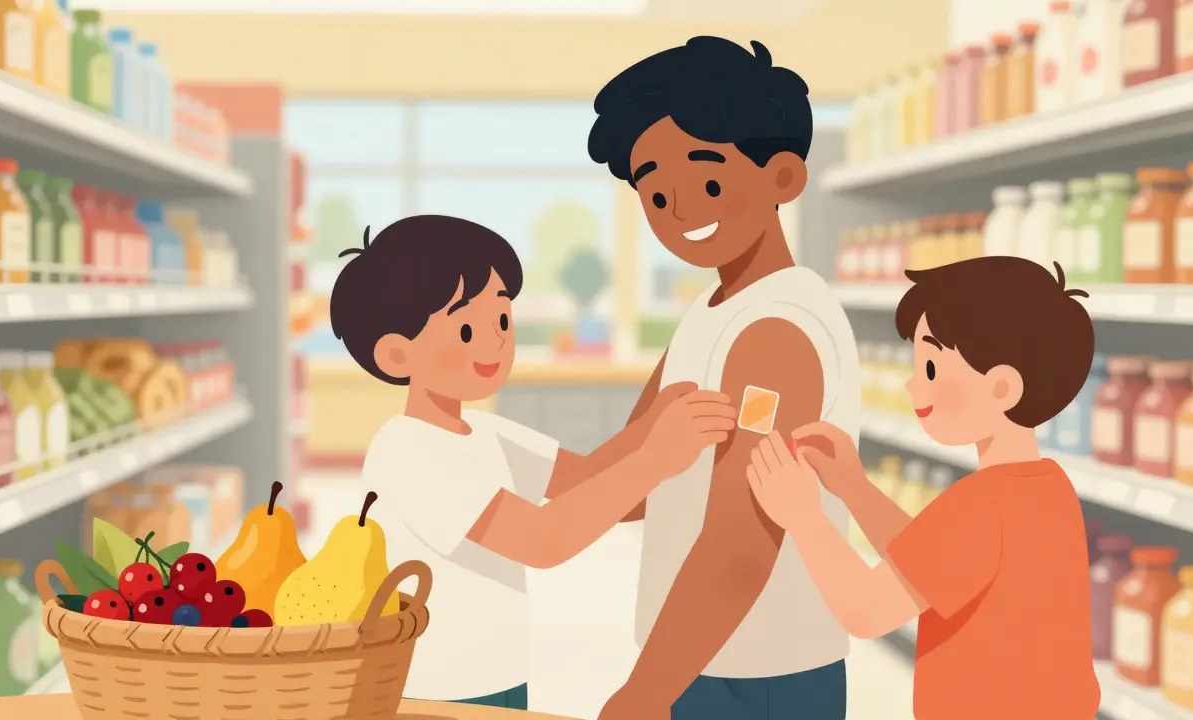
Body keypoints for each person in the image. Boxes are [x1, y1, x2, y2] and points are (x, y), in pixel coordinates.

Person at [334, 214, 737, 710]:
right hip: (432, 689)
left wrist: (658, 411)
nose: (497, 341)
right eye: (466, 329)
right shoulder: (407, 451)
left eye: (502, 319)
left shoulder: (486, 432)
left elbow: (587, 478)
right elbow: (542, 540)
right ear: (397, 356)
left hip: (500, 674)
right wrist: (655, 454)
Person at [587, 36, 859, 720]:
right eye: (655, 193)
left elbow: (742, 546)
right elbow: (629, 489)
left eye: (708, 180)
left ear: (784, 178)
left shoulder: (778, 329)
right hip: (694, 657)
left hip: (764, 673)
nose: (680, 210)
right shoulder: (708, 316)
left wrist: (643, 695)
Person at [745, 257, 1101, 720]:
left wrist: (803, 517)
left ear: (1001, 388)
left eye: (931, 367)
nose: (914, 385)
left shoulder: (980, 504)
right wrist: (854, 488)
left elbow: (866, 610)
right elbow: (933, 563)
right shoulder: (1048, 487)